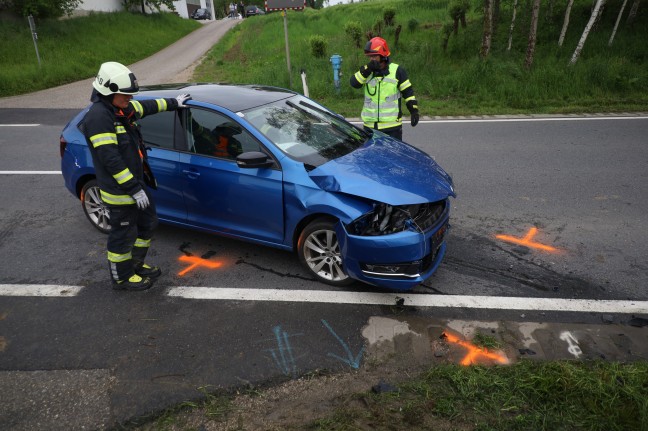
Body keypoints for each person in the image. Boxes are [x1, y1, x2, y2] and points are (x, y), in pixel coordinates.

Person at [82, 61, 191, 291]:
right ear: (109, 91)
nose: (129, 99)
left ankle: (135, 264)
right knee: (122, 235)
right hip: (120, 192)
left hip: (136, 186)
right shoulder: (99, 118)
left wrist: (174, 103)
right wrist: (133, 188)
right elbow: (110, 160)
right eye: (125, 95)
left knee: (148, 223)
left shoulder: (119, 109)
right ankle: (121, 278)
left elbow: (147, 107)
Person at [349, 36, 419, 141]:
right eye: (370, 56)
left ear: (383, 56)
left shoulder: (397, 71)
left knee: (392, 157)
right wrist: (368, 69)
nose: (371, 59)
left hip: (392, 128)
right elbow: (354, 83)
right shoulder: (367, 71)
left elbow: (408, 92)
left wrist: (414, 111)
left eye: (374, 56)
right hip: (370, 127)